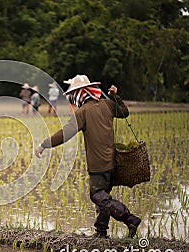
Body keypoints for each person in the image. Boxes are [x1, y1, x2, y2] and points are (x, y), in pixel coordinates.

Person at [34, 74, 141, 239]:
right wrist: (115, 96)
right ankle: (101, 232)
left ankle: (129, 218)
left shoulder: (82, 112)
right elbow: (124, 112)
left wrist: (43, 145)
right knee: (103, 197)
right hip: (112, 162)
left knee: (97, 195)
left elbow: (64, 134)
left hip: (98, 165)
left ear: (80, 93)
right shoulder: (107, 104)